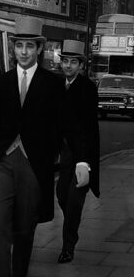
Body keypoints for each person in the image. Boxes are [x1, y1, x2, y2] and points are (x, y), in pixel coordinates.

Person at [0, 15, 63, 277]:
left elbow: (60, 127)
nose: (23, 52)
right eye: (19, 46)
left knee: (24, 230)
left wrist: (53, 159)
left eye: (29, 46)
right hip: (2, 162)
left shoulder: (53, 83)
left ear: (39, 48)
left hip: (33, 166)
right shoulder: (1, 82)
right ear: (13, 49)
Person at [56, 39, 100, 263]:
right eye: (65, 61)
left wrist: (85, 161)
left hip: (81, 153)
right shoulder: (56, 84)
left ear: (81, 65)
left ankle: (68, 247)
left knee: (74, 200)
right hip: (62, 154)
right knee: (62, 196)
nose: (68, 66)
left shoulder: (87, 88)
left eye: (73, 62)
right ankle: (71, 226)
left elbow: (89, 127)